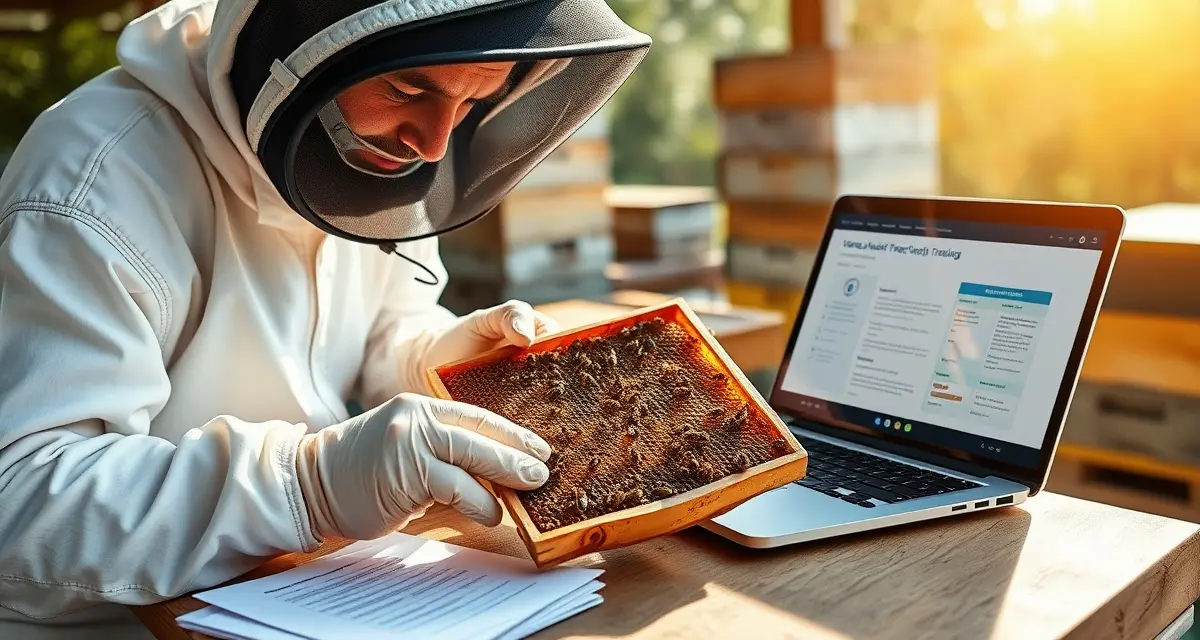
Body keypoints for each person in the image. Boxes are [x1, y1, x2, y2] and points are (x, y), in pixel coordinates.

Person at [0, 0, 650, 637]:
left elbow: (377, 332)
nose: (433, 143)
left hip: (299, 587)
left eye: (473, 102)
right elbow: (22, 506)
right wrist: (306, 487)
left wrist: (433, 362)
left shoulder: (379, 151)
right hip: (108, 622)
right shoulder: (89, 186)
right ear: (296, 45)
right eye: (405, 87)